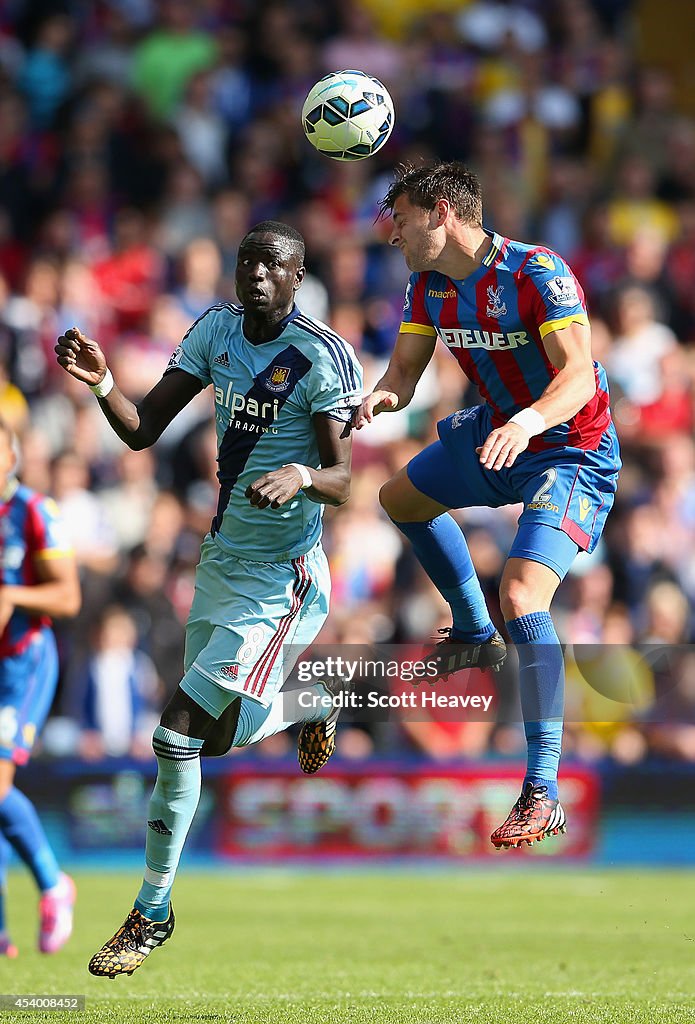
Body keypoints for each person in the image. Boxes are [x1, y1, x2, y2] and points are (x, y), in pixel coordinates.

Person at [55, 221, 362, 977]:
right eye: (249, 260)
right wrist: (101, 384)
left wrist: (302, 477)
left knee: (175, 730)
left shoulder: (320, 356)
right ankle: (313, 702)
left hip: (283, 577)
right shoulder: (215, 332)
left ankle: (150, 911)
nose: (258, 273)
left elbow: (347, 479)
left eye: (275, 264)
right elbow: (143, 431)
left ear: (298, 278)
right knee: (209, 743)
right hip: (222, 562)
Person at [354, 162, 621, 849]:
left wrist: (528, 423)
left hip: (567, 450)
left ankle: (542, 790)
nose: (393, 236)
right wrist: (382, 397)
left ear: (440, 212)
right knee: (400, 497)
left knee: (524, 591)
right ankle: (473, 630)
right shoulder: (426, 287)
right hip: (499, 433)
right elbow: (405, 377)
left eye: (402, 220)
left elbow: (579, 375)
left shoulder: (535, 271)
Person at [0, 418, 81, 957]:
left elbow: (68, 598)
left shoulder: (33, 511)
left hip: (23, 666)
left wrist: (13, 596)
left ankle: (54, 885)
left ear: (12, 457)